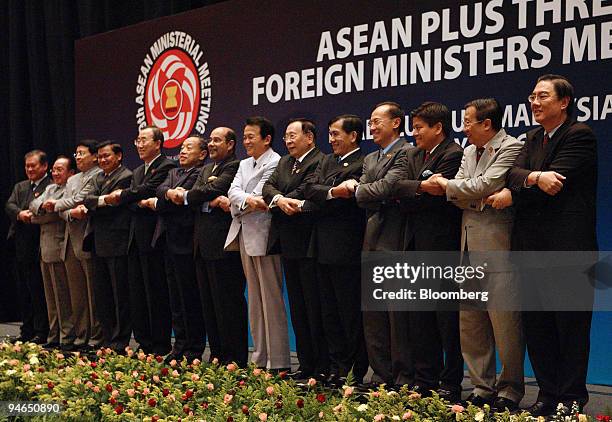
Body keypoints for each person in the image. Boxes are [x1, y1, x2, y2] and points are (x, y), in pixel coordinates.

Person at [504, 74, 597, 416]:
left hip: (567, 250)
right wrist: (533, 178)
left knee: (570, 327)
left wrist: (532, 180)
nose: (535, 102)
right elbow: (510, 176)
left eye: (543, 96)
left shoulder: (579, 135)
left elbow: (555, 182)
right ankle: (546, 393)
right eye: (532, 96)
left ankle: (571, 396)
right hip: (529, 248)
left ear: (563, 102)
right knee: (538, 326)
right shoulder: (531, 138)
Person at [430, 99, 525, 410]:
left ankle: (509, 390)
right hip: (467, 246)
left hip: (497, 247)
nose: (463, 127)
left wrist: (461, 190)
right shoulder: (468, 151)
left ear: (487, 124)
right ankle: (482, 387)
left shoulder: (511, 146)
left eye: (468, 121)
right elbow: (463, 193)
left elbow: (485, 183)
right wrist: (474, 197)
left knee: (504, 323)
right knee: (471, 323)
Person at [390, 101, 464, 402]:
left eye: (420, 127)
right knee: (419, 317)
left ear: (438, 128)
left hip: (442, 248)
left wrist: (413, 191)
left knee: (447, 320)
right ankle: (425, 377)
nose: (414, 132)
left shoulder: (453, 153)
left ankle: (451, 381)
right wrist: (421, 187)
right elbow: (396, 188)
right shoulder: (414, 154)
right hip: (415, 245)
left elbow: (440, 197)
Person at [167, 127, 248, 367]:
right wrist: (203, 198)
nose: (211, 144)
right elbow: (202, 196)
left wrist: (193, 196)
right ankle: (218, 355)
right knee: (209, 305)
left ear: (231, 144)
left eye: (217, 140)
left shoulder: (235, 166)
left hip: (223, 245)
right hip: (201, 245)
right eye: (210, 140)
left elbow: (211, 190)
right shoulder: (205, 169)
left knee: (228, 303)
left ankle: (235, 357)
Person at [349, 101, 414, 388]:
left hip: (395, 240)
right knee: (373, 316)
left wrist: (365, 191)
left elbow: (386, 188)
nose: (372, 127)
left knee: (396, 315)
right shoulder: (371, 158)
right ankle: (380, 375)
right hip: (371, 239)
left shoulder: (407, 153)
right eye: (371, 122)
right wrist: (367, 192)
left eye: (377, 121)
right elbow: (366, 194)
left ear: (396, 123)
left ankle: (401, 377)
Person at [303, 114, 369, 386]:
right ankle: (337, 364)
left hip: (347, 246)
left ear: (353, 136)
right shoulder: (327, 160)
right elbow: (310, 189)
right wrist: (333, 191)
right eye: (329, 134)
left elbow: (351, 198)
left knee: (349, 312)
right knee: (328, 312)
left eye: (335, 134)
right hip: (321, 246)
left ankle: (355, 367)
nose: (331, 140)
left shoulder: (364, 162)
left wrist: (327, 192)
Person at [262, 118, 327, 380]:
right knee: (298, 309)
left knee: (314, 307)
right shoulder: (284, 162)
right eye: (286, 136)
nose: (288, 141)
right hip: (287, 242)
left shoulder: (320, 160)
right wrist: (279, 198)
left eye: (293, 136)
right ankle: (306, 365)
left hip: (309, 242)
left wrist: (284, 195)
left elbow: (307, 190)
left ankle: (321, 366)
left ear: (309, 137)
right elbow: (268, 186)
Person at [225, 116, 290, 371]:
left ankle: (279, 361)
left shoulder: (276, 162)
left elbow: (262, 197)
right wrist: (245, 201)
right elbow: (234, 192)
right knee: (254, 299)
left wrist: (243, 200)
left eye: (251, 136)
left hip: (264, 236)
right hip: (243, 233)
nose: (246, 141)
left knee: (271, 299)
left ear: (267, 139)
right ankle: (260, 358)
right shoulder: (243, 164)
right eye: (244, 137)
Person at [104, 126, 177, 355]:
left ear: (158, 143)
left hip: (154, 241)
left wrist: (129, 197)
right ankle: (144, 343)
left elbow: (150, 191)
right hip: (134, 239)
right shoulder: (137, 171)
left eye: (144, 140)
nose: (139, 144)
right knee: (137, 295)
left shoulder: (167, 166)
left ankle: (160, 344)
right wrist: (134, 199)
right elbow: (136, 198)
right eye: (137, 140)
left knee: (156, 294)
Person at [142, 135, 207, 363]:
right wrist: (170, 195)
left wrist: (166, 199)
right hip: (168, 241)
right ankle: (179, 345)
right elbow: (161, 192)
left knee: (190, 298)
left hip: (187, 242)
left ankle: (194, 348)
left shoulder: (201, 173)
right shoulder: (173, 173)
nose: (183, 151)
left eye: (189, 147)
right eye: (182, 147)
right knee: (176, 299)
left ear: (202, 154)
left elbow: (184, 200)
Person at [49, 139, 104, 350]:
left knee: (93, 294)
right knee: (77, 295)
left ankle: (96, 338)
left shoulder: (97, 174)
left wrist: (61, 207)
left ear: (94, 156)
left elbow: (82, 200)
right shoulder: (73, 180)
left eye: (82, 153)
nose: (78, 157)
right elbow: (66, 207)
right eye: (77, 153)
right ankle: (81, 337)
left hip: (87, 239)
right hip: (69, 241)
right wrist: (68, 211)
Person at [82, 141, 133, 352]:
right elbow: (87, 199)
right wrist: (104, 200)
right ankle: (106, 338)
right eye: (100, 157)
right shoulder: (98, 177)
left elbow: (116, 205)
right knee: (102, 294)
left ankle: (120, 341)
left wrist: (98, 203)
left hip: (117, 242)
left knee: (119, 294)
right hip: (98, 242)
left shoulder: (126, 176)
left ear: (118, 156)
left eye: (107, 156)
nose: (102, 160)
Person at [29, 156, 76, 351]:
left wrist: (45, 211)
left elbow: (56, 214)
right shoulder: (50, 188)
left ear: (70, 173)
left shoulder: (69, 190)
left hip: (59, 247)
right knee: (51, 297)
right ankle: (54, 333)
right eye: (54, 170)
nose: (55, 173)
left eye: (60, 170)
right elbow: (33, 206)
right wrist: (42, 210)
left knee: (63, 296)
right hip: (44, 249)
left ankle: (66, 335)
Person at [5, 149, 51, 344]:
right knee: (24, 290)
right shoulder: (21, 186)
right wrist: (19, 214)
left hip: (39, 243)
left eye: (33, 165)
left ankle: (41, 330)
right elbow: (10, 204)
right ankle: (27, 329)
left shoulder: (50, 185)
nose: (29, 169)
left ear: (45, 166)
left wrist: (27, 213)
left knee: (38, 290)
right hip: (21, 244)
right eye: (27, 166)